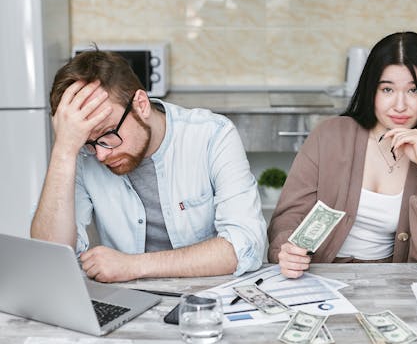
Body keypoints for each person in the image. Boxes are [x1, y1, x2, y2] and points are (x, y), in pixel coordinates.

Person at [31, 49, 267, 282]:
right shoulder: (83, 153)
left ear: (141, 105)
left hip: (208, 302)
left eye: (107, 134)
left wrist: (133, 265)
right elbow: (50, 259)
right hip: (129, 303)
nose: (100, 155)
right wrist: (64, 149)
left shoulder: (212, 135)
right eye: (89, 143)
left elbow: (245, 245)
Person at [267, 31, 417, 278]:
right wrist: (286, 249)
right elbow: (289, 216)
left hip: (391, 283)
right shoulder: (330, 135)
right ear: (372, 91)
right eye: (387, 90)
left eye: (413, 91)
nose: (400, 105)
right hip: (319, 275)